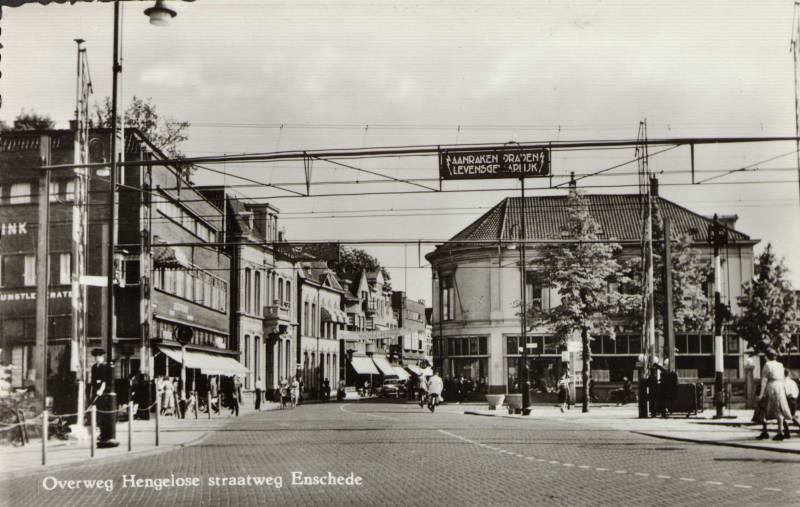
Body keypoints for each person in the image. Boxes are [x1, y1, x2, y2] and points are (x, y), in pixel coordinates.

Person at [757, 349, 793, 440]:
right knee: (779, 409)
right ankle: (780, 431)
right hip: (780, 387)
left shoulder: (767, 365)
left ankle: (766, 431)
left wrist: (761, 394)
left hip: (771, 387)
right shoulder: (780, 365)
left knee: (764, 407)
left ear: (767, 356)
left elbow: (764, 380)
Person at [782, 369, 800, 438]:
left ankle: (787, 432)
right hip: (794, 400)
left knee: (782, 417)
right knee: (791, 416)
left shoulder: (783, 382)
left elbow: (785, 393)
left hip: (787, 400)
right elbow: (797, 391)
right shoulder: (793, 382)